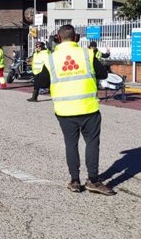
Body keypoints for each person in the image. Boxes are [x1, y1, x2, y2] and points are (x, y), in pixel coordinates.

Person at [34, 24, 114, 195]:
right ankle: (93, 180)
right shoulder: (87, 54)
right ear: (76, 37)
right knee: (92, 143)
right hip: (89, 108)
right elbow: (103, 74)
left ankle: (75, 181)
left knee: (71, 144)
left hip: (65, 111)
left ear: (58, 38)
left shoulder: (51, 58)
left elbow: (40, 83)